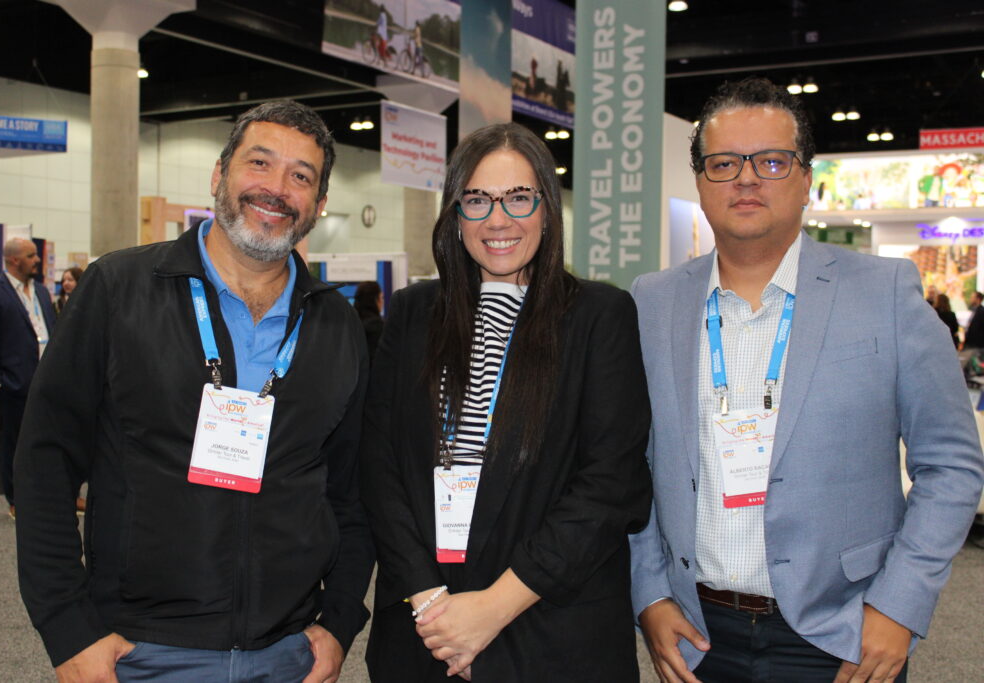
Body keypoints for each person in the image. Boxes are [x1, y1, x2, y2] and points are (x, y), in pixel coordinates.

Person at [629, 77, 984, 683]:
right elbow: (627, 464)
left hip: (842, 635)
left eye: (771, 160)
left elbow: (950, 466)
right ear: (700, 181)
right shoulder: (650, 303)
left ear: (806, 179)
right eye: (723, 163)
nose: (746, 178)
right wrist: (649, 594)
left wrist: (898, 606)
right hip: (697, 636)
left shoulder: (887, 294)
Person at [14, 101, 374, 682]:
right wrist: (66, 629)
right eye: (260, 162)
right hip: (140, 652)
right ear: (219, 175)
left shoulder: (336, 325)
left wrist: (338, 623)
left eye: (300, 176)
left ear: (320, 205)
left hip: (289, 656)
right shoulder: (119, 289)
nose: (276, 189)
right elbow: (45, 463)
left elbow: (352, 492)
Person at [362, 122, 652, 682]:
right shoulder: (413, 313)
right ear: (455, 213)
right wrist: (433, 608)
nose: (498, 220)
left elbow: (609, 486)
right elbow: (380, 467)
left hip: (550, 632)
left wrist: (492, 609)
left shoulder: (598, 317)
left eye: (519, 198)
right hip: (423, 634)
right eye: (477, 200)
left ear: (547, 207)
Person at [0, 238, 55, 517]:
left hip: (46, 380)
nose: (37, 260)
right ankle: (16, 499)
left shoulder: (42, 292)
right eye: (31, 255)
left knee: (50, 442)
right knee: (16, 444)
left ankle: (49, 495)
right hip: (15, 383)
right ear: (13, 260)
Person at [352, 280, 384, 361]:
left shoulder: (351, 323)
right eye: (381, 297)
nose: (382, 302)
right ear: (375, 300)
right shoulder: (378, 326)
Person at [962, 290, 984, 355]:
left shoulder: (981, 312)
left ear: (978, 299)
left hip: (976, 345)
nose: (970, 299)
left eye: (972, 297)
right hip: (971, 344)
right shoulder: (974, 310)